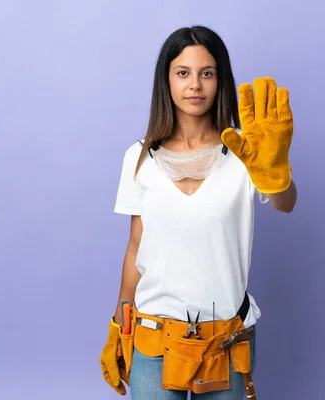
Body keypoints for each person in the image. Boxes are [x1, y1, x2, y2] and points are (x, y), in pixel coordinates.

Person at [100, 25, 297, 399]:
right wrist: (119, 326)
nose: (195, 85)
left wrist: (275, 173)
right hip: (155, 336)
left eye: (206, 73)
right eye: (183, 73)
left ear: (220, 80)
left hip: (226, 339)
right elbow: (135, 247)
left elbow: (287, 204)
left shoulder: (247, 151)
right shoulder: (139, 157)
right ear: (167, 80)